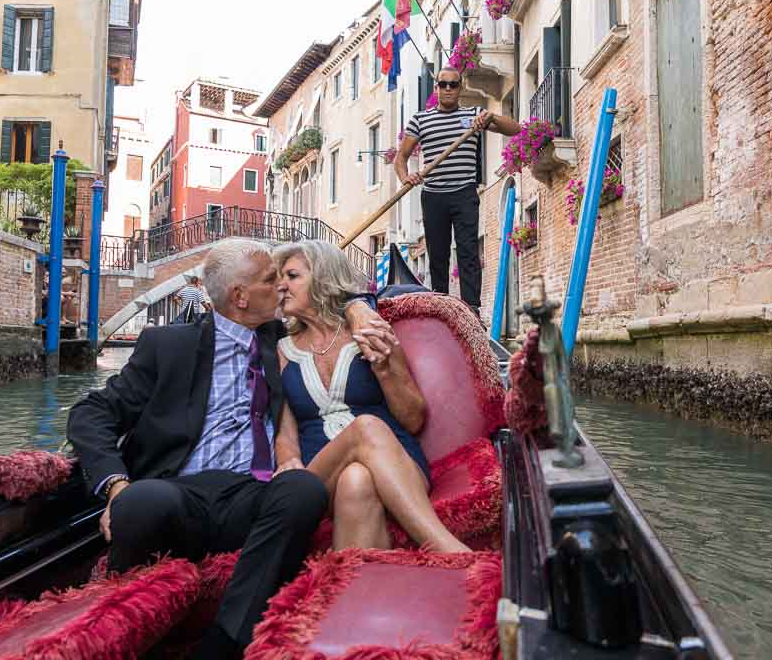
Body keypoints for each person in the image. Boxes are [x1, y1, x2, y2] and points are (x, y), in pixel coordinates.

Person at [66, 238, 397, 658]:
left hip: (247, 494)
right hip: (178, 493)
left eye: (282, 277)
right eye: (269, 279)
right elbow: (90, 413)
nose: (281, 287)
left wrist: (358, 306)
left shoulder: (280, 339)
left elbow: (340, 293)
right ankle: (120, 631)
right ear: (239, 296)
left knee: (302, 489)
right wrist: (116, 486)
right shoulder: (167, 345)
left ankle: (224, 642)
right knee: (140, 501)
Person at [272, 240, 470, 553]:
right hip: (320, 473)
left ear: (324, 277)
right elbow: (285, 433)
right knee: (365, 428)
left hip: (396, 463)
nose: (280, 285)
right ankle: (445, 548)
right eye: (279, 277)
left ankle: (351, 592)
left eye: (292, 275)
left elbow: (414, 419)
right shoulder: (280, 350)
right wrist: (288, 462)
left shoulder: (372, 331)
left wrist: (385, 370)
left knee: (357, 481)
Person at [394, 66, 520, 318]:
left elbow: (514, 129)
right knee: (437, 255)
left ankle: (471, 311)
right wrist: (406, 177)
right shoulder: (420, 120)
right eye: (444, 84)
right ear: (436, 88)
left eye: (453, 84)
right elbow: (401, 157)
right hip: (433, 195)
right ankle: (442, 310)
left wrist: (491, 118)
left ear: (460, 88)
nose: (448, 89)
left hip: (464, 193)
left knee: (468, 252)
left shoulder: (474, 115)